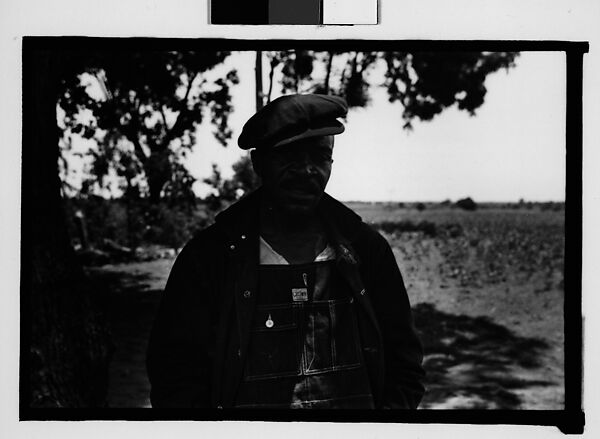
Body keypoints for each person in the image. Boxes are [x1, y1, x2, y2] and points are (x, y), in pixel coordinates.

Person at [146, 94, 425, 409]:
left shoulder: (366, 251)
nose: (306, 171)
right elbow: (175, 378)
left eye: (320, 156)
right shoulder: (210, 258)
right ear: (259, 163)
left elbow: (405, 367)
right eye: (290, 155)